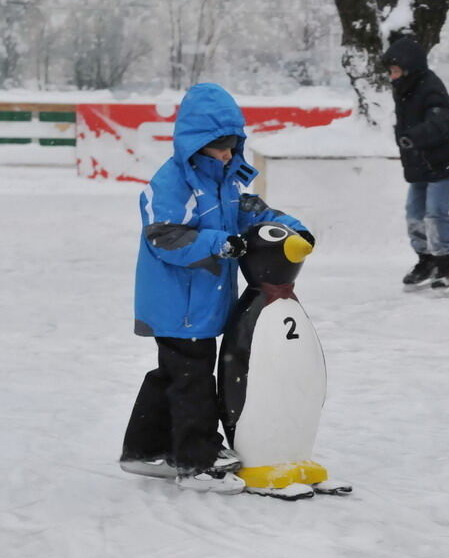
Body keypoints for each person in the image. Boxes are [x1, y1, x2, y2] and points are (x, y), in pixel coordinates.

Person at [120, 82, 314, 493]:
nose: (228, 155)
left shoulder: (223, 180)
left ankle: (144, 447)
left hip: (202, 302)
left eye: (232, 146)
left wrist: (293, 229)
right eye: (219, 147)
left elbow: (251, 212)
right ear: (196, 143)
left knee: (174, 373)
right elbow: (164, 236)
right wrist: (218, 243)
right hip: (179, 303)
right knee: (191, 376)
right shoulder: (171, 182)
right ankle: (196, 459)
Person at [381, 35, 449, 294]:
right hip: (420, 162)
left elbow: (440, 123)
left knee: (435, 213)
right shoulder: (404, 89)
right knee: (414, 215)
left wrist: (412, 137)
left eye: (395, 71)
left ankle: (447, 264)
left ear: (409, 68)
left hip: (443, 161)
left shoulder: (430, 86)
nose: (392, 76)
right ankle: (426, 259)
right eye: (391, 72)